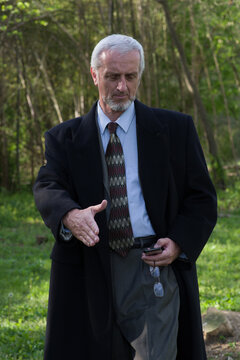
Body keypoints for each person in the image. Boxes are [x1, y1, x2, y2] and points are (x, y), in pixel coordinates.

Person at [33, 34, 217, 360]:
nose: (121, 87)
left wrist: (179, 241)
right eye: (112, 76)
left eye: (130, 77)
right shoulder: (64, 138)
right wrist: (70, 215)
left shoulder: (175, 130)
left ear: (139, 76)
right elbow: (48, 185)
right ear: (94, 75)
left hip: (151, 266)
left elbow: (201, 197)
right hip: (88, 268)